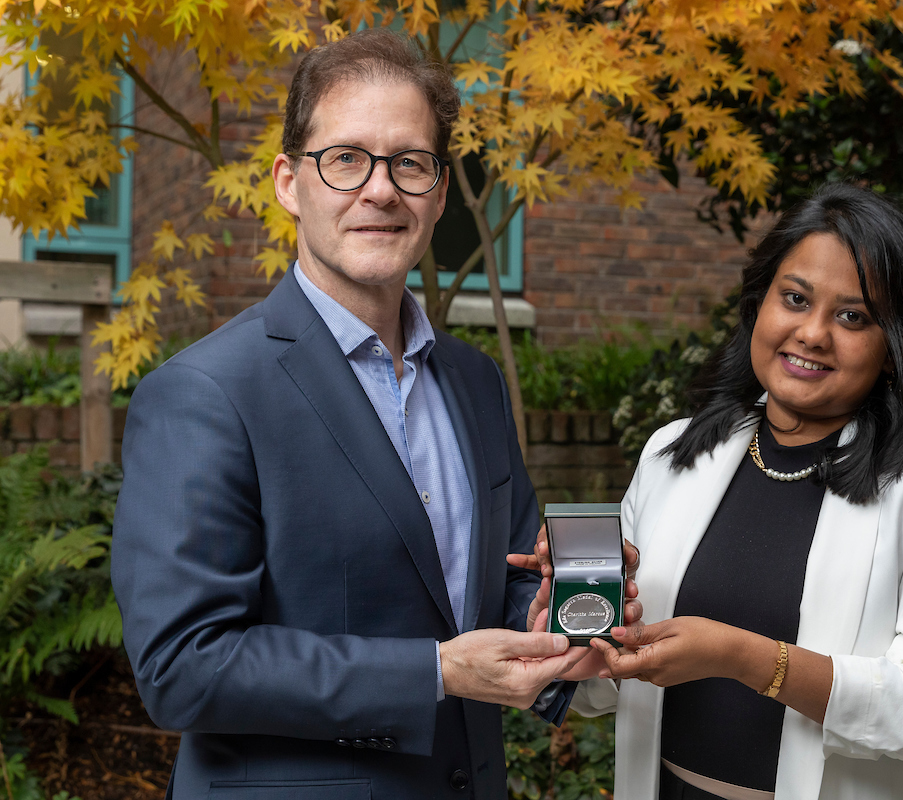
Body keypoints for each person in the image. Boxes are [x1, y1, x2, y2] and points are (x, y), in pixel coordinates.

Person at [111, 29, 636, 800]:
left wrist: (564, 617)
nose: (381, 190)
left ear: (440, 191)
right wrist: (437, 671)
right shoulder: (206, 394)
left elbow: (500, 586)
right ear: (290, 182)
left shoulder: (473, 382)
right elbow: (183, 667)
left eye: (410, 163)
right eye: (346, 158)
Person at [569, 184, 903, 800]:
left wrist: (745, 657)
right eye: (795, 299)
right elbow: (597, 687)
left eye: (853, 316)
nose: (812, 333)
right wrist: (576, 622)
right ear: (760, 303)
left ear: (893, 347)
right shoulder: (675, 452)